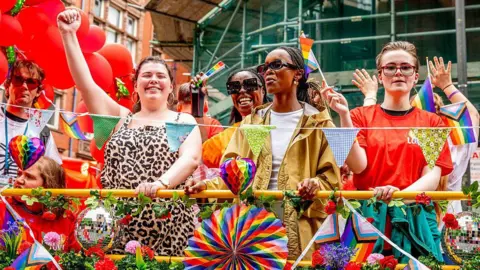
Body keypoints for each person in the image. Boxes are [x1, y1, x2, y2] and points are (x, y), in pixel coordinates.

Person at [58, 9, 202, 256]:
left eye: (161, 76)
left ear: (171, 87)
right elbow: (85, 83)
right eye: (146, 75)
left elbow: (190, 159)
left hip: (171, 229)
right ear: (136, 85)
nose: (153, 80)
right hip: (117, 227)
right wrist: (68, 34)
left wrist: (160, 184)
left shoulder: (182, 119)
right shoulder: (120, 118)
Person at [186, 46, 340, 259]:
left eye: (276, 65)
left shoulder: (318, 122)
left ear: (297, 74)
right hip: (254, 225)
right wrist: (205, 186)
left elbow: (332, 180)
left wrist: (316, 184)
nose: (268, 71)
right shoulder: (251, 122)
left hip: (301, 224)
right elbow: (231, 173)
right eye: (265, 67)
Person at [323, 41, 453, 263]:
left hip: (415, 220)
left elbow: (431, 177)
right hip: (366, 220)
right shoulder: (359, 116)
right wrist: (344, 115)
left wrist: (397, 196)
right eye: (390, 67)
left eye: (406, 67)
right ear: (380, 76)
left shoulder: (432, 122)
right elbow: (358, 166)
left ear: (415, 76)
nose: (398, 73)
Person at [353, 56, 480, 214]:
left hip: (427, 215)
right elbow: (473, 115)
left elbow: (473, 117)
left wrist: (370, 96)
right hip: (428, 212)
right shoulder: (456, 140)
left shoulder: (454, 140)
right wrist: (447, 86)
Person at [1, 60, 62, 183]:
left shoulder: (42, 132)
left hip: (21, 200)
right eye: (18, 80)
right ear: (7, 86)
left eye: (31, 82)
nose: (24, 86)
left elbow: (54, 177)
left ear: (38, 91)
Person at [0, 157, 80, 252]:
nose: (19, 180)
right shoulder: (3, 209)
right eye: (19, 174)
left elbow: (76, 257)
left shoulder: (67, 218)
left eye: (29, 177)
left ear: (49, 185)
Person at [202, 67, 268, 168]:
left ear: (262, 90)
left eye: (250, 84)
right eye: (234, 87)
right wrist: (197, 100)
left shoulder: (277, 124)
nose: (241, 90)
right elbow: (201, 157)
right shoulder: (226, 137)